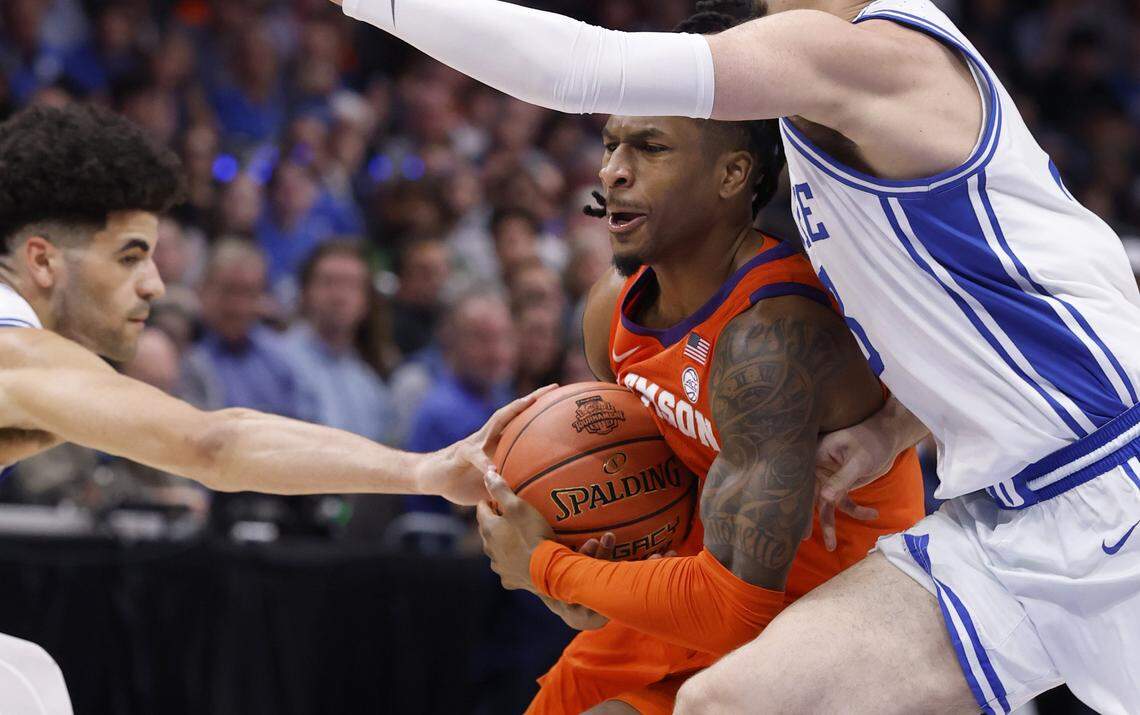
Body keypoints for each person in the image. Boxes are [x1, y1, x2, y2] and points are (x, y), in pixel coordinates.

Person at [337, 0, 1140, 711]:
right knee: (729, 701)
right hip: (999, 515)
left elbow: (588, 65)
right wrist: (890, 430)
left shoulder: (865, 55)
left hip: (1114, 480)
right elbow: (953, 316)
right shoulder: (810, 118)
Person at [0, 103, 546, 714]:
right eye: (130, 257)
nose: (154, 283)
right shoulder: (13, 349)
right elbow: (214, 444)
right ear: (43, 261)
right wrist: (423, 471)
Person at [477, 15, 926, 706]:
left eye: (650, 147)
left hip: (833, 615)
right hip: (701, 583)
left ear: (732, 174)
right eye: (610, 144)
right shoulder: (613, 310)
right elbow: (653, 485)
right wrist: (592, 555)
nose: (612, 171)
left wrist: (545, 565)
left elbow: (736, 607)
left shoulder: (772, 339)